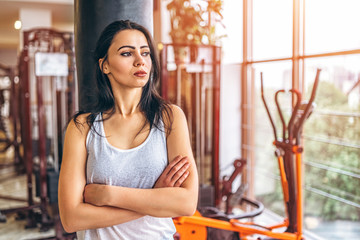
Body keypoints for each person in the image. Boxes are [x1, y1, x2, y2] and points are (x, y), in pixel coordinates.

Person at [58, 20, 198, 240]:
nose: (140, 60)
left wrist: (108, 195)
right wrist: (155, 198)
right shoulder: (82, 127)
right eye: (126, 53)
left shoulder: (170, 117)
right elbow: (71, 218)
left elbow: (187, 203)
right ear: (105, 65)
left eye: (145, 53)